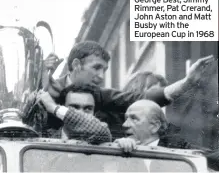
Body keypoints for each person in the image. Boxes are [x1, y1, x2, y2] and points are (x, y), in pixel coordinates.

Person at [44, 41, 216, 138]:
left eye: (104, 70)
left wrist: (186, 83)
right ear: (76, 65)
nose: (102, 76)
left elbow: (140, 98)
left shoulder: (103, 95)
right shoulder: (46, 90)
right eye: (96, 68)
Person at [115, 100, 219, 171]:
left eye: (134, 118)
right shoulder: (119, 149)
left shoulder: (177, 147)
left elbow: (211, 158)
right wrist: (118, 149)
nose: (125, 124)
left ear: (154, 126)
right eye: (126, 118)